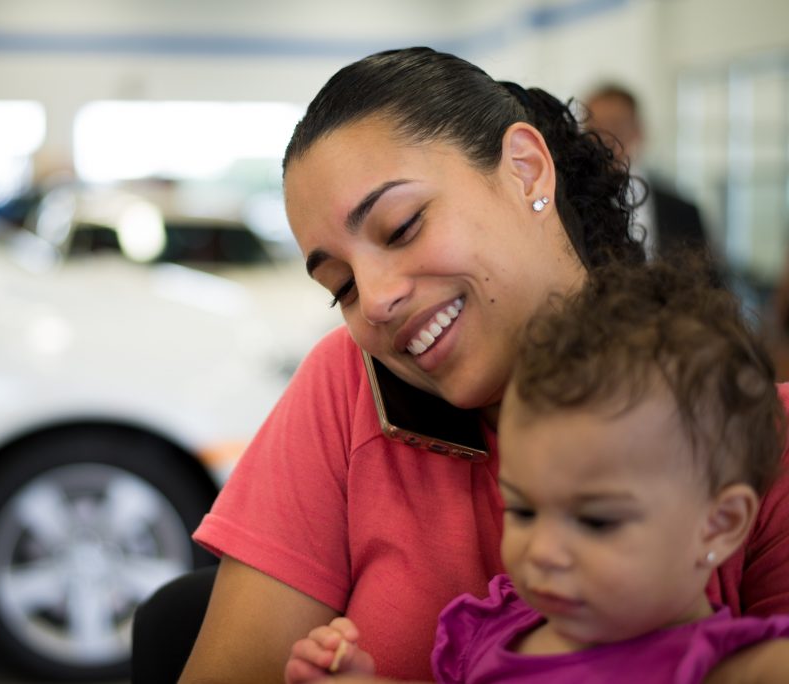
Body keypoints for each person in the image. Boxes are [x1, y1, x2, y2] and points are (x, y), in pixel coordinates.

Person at [157, 46, 789, 683]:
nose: (375, 301)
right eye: (341, 286)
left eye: (402, 227)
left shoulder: (749, 433)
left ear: (524, 169)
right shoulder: (350, 385)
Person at [284, 257, 789, 683]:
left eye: (596, 521)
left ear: (719, 524)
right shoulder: (495, 629)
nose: (543, 552)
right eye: (523, 510)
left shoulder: (731, 667)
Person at [583, 82, 710, 262]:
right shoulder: (570, 205)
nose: (605, 139)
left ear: (639, 131)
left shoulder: (683, 212)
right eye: (594, 129)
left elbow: (706, 281)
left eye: (616, 126)